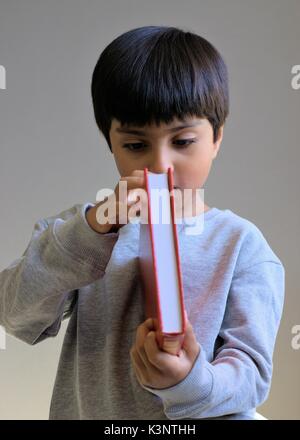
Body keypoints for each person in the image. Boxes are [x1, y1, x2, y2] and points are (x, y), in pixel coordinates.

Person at [0, 25, 285, 420]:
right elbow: (15, 313)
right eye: (135, 145)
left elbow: (251, 376)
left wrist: (189, 382)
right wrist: (91, 229)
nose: (160, 165)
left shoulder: (241, 245)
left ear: (217, 137)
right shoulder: (80, 232)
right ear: (110, 143)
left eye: (183, 141)